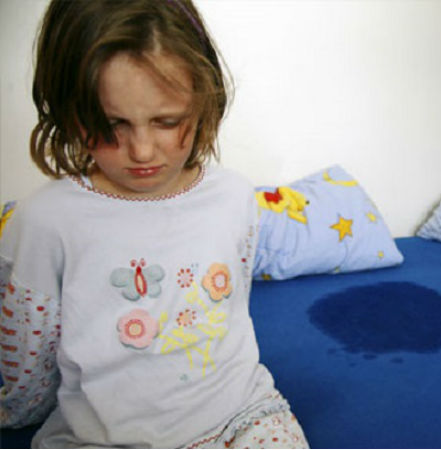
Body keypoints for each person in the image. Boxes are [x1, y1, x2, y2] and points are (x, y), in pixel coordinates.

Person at [0, 1, 308, 448]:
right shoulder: (44, 221)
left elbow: (231, 308)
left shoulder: (234, 196)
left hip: (242, 418)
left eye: (167, 121)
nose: (142, 151)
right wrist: (18, 413)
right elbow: (29, 358)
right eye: (112, 124)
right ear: (68, 109)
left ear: (204, 101)